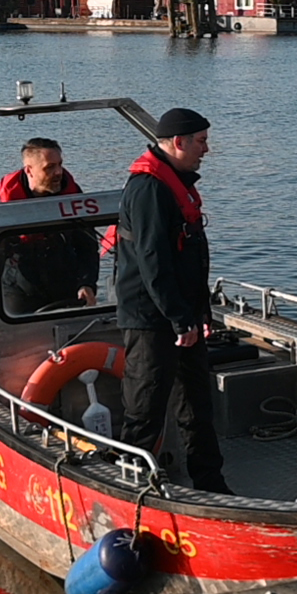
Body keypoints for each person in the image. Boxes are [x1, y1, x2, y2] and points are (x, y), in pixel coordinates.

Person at [111, 108, 230, 494]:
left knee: (197, 406)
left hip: (183, 314)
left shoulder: (176, 182)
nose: (206, 150)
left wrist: (200, 313)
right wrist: (180, 319)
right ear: (178, 143)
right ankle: (130, 488)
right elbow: (153, 261)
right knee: (145, 408)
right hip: (151, 319)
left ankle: (210, 484)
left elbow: (189, 257)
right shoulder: (148, 188)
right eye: (201, 141)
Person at [0, 137, 101, 316]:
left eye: (59, 164)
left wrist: (87, 283)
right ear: (29, 171)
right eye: (49, 167)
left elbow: (88, 247)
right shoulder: (3, 207)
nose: (59, 172)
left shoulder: (73, 197)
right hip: (20, 288)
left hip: (66, 282)